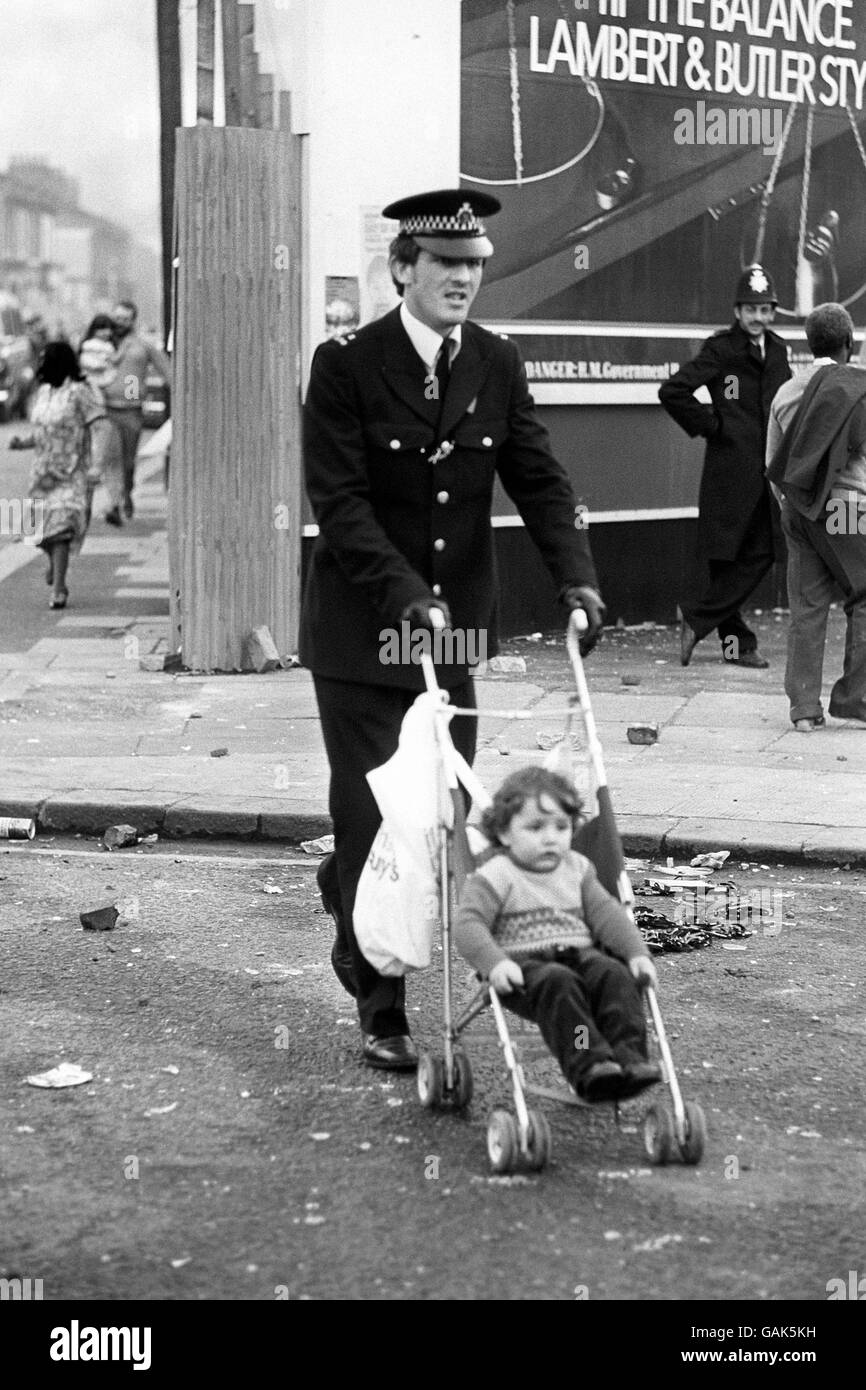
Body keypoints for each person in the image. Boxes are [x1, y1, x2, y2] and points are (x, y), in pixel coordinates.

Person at [301, 188, 606, 1071]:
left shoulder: (497, 364)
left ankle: (346, 894)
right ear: (404, 269)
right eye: (447, 266)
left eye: (475, 267)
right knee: (373, 813)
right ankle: (380, 1001)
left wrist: (577, 579)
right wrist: (402, 593)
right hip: (367, 632)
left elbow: (539, 480)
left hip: (456, 635)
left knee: (440, 817)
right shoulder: (346, 364)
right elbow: (341, 503)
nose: (464, 280)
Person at [454, 767, 660, 1103]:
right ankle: (589, 1061)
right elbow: (468, 926)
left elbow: (609, 916)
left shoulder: (577, 869)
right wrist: (494, 963)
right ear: (504, 834)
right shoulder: (495, 875)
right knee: (560, 983)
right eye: (535, 827)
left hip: (582, 956)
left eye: (561, 827)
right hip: (526, 970)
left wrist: (637, 953)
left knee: (615, 975)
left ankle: (630, 1057)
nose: (550, 837)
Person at [659, 264, 791, 669]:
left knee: (766, 552)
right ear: (737, 311)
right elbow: (674, 390)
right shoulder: (722, 349)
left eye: (766, 309)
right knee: (726, 560)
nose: (759, 318)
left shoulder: (779, 348)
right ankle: (738, 647)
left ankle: (697, 620)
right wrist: (714, 424)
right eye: (751, 309)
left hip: (767, 470)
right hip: (729, 473)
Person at [766, 303, 866, 731]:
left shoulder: (787, 392)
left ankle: (804, 708)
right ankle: (855, 698)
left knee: (806, 607)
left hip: (796, 508)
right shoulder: (859, 386)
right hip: (848, 508)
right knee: (864, 597)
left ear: (809, 343)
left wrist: (794, 508)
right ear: (850, 343)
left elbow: (772, 459)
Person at [10, 341, 105, 609]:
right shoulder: (42, 393)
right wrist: (23, 442)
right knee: (38, 531)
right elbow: (41, 431)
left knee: (62, 527)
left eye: (46, 360)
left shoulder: (79, 392)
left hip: (72, 470)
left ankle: (60, 587)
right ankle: (53, 562)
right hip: (43, 472)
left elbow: (99, 426)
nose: (41, 365)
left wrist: (98, 465)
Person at [101, 300, 171, 519]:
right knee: (111, 458)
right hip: (107, 409)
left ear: (133, 320)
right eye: (117, 318)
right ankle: (115, 501)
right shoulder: (102, 344)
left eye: (125, 318)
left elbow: (167, 371)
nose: (120, 322)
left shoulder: (143, 345)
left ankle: (127, 491)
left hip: (132, 409)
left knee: (129, 461)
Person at [78, 314, 125, 526]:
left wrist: (130, 400)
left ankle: (119, 501)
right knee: (96, 461)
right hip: (100, 410)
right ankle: (94, 508)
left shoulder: (134, 346)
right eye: (120, 317)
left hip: (122, 410)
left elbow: (133, 377)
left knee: (122, 461)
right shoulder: (92, 351)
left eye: (127, 318)